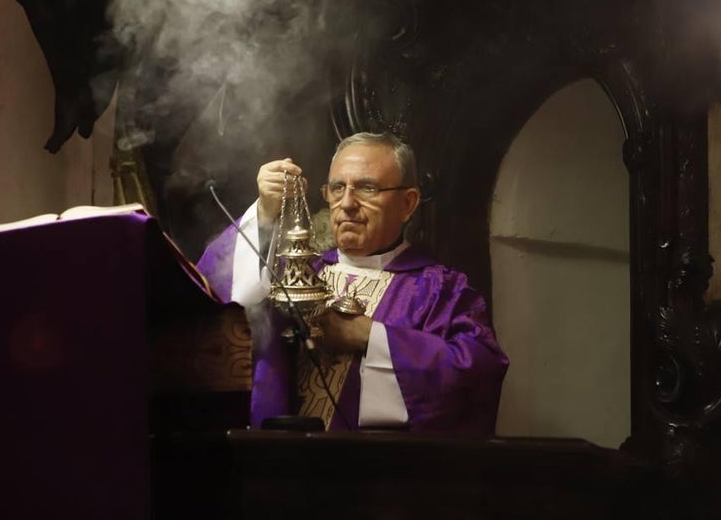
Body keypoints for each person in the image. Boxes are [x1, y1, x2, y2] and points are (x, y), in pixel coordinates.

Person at [195, 132, 508, 434]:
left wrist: (372, 337)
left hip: (373, 477)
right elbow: (212, 295)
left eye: (367, 188)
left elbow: (477, 375)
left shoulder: (441, 291)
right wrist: (264, 214)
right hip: (280, 468)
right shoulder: (296, 274)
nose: (346, 203)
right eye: (336, 188)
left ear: (408, 204)